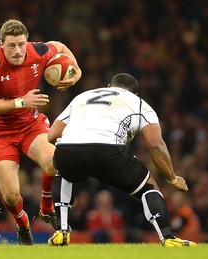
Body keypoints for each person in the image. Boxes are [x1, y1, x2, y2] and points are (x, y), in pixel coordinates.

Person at [47, 73, 197, 247]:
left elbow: (52, 135)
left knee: (64, 172)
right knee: (149, 188)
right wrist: (172, 178)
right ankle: (168, 238)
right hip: (108, 150)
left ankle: (61, 231)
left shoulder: (83, 96)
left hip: (68, 147)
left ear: (109, 86)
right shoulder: (139, 103)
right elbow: (155, 144)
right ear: (135, 93)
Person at [0, 19, 82, 245]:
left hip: (30, 125)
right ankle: (22, 223)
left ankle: (46, 207)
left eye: (21, 44)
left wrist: (77, 71)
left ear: (27, 42)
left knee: (54, 162)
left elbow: (60, 47)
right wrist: (21, 102)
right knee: (12, 195)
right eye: (11, 45)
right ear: (1, 44)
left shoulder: (39, 51)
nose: (17, 51)